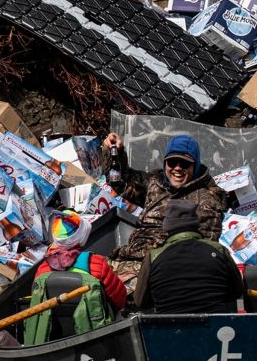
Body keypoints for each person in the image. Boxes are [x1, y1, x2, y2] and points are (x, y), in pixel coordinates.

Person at [105, 132, 227, 262]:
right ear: (165, 163)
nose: (178, 168)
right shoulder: (156, 183)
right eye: (172, 162)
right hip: (129, 254)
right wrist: (115, 153)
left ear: (195, 166)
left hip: (160, 265)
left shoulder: (206, 200)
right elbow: (120, 181)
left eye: (185, 164)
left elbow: (200, 252)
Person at [22, 210, 127, 344]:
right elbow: (120, 298)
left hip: (57, 335)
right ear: (82, 237)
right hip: (94, 332)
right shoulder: (96, 264)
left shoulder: (42, 270)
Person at [133, 199, 244, 315]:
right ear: (196, 224)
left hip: (170, 328)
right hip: (216, 327)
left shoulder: (153, 256)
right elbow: (237, 291)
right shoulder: (218, 250)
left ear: (167, 227)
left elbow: (140, 301)